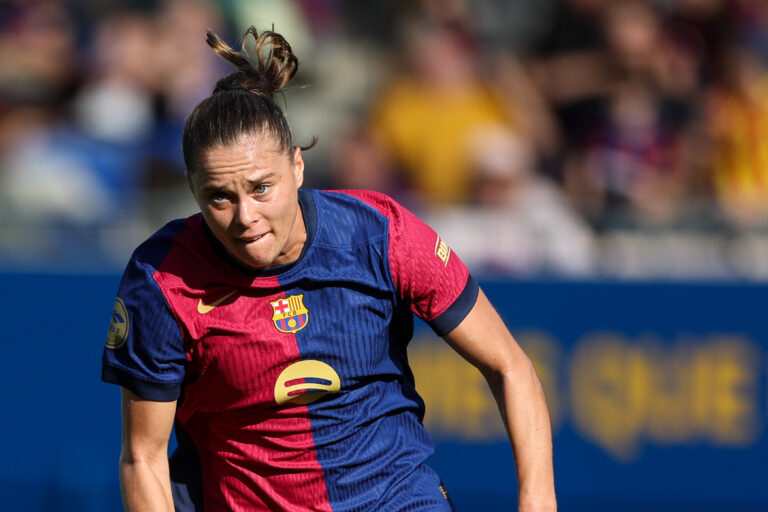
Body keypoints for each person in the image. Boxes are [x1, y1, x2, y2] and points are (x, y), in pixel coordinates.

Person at [101, 26, 556, 512]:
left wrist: (537, 499)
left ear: (297, 166)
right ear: (194, 193)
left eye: (261, 188)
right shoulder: (161, 280)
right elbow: (143, 459)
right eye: (219, 197)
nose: (245, 217)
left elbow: (510, 366)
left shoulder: (382, 234)